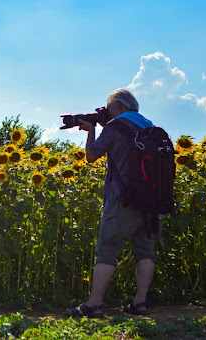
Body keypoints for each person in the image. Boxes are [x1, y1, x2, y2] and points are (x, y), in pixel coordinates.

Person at [66, 88, 157, 318]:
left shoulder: (117, 126)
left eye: (108, 109)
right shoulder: (150, 126)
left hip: (122, 199)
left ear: (118, 106)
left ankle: (94, 304)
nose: (106, 113)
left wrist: (91, 130)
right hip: (151, 201)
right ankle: (140, 303)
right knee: (144, 250)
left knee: (107, 249)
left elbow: (92, 155)